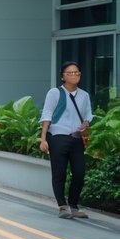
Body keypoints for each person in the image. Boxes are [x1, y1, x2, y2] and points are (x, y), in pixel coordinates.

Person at [40, 61, 93, 219]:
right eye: (70, 73)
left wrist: (86, 124)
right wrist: (43, 139)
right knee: (59, 173)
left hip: (76, 138)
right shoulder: (55, 93)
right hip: (57, 137)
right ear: (62, 76)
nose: (74, 75)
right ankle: (63, 206)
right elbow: (47, 115)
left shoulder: (84, 95)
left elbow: (88, 115)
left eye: (77, 72)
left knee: (79, 172)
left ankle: (73, 205)